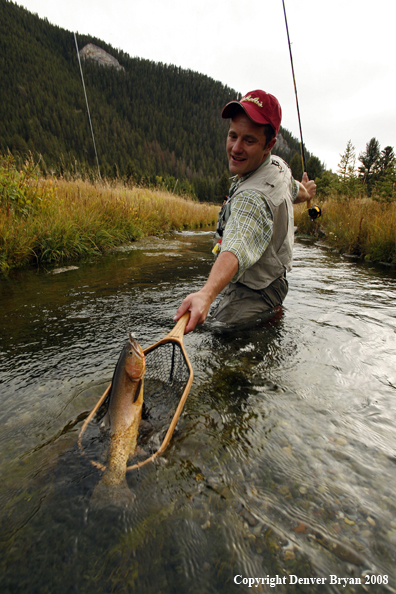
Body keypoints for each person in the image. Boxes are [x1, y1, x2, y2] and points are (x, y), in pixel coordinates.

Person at [174, 89, 316, 333]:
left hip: (255, 292)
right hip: (275, 283)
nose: (236, 148)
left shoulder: (252, 198)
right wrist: (308, 194)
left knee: (218, 339)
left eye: (248, 140)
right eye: (232, 136)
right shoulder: (278, 167)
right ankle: (271, 319)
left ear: (268, 144)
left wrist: (206, 294)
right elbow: (296, 190)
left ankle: (265, 324)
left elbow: (237, 243)